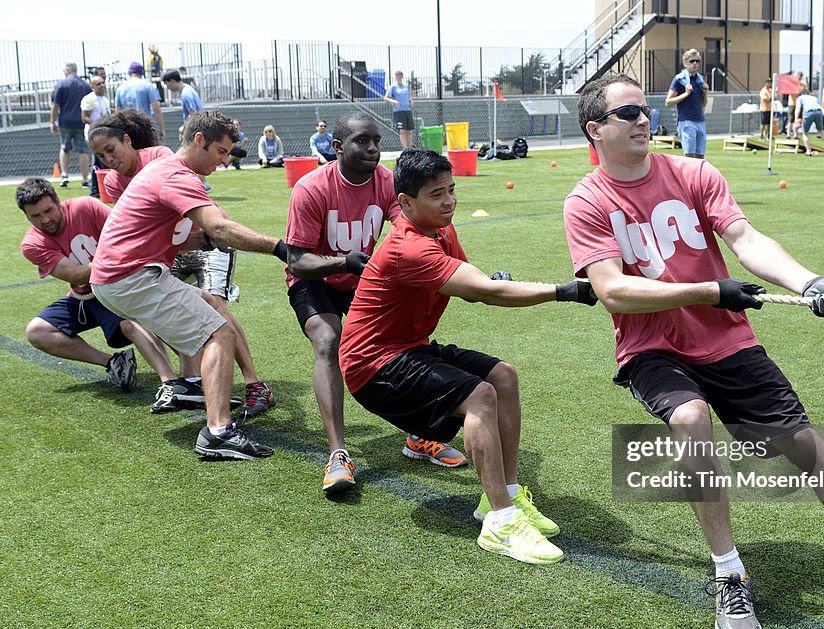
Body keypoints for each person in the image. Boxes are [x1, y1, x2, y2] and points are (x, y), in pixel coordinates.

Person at [564, 73, 824, 629]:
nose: (645, 119)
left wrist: (808, 281)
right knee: (691, 420)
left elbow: (746, 239)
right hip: (652, 348)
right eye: (628, 113)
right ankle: (730, 573)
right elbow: (612, 290)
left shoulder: (694, 173)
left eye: (646, 109)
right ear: (595, 130)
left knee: (805, 446)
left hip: (728, 341)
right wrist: (708, 291)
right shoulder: (586, 201)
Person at [339, 147, 598, 563]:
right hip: (373, 365)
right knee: (480, 396)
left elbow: (473, 281)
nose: (449, 202)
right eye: (436, 194)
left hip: (408, 348)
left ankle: (506, 496)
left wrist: (490, 282)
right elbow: (486, 293)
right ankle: (500, 523)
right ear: (405, 202)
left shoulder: (440, 230)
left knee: (503, 377)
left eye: (452, 190)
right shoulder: (408, 247)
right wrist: (563, 291)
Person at [283, 113, 467, 494]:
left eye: (376, 142)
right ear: (337, 147)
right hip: (316, 279)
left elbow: (414, 224)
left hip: (364, 276)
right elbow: (297, 260)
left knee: (406, 340)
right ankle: (338, 454)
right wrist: (343, 261)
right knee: (328, 340)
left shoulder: (386, 181)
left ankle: (419, 435)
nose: (371, 149)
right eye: (361, 142)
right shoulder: (311, 188)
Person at [89, 110, 289, 459]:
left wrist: (206, 241)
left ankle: (192, 386)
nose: (225, 161)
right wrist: (281, 248)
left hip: (116, 277)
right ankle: (218, 432)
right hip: (131, 276)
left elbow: (171, 233)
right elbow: (220, 227)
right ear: (199, 140)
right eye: (221, 152)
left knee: (212, 309)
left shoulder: (158, 167)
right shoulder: (175, 173)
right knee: (220, 333)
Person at [18, 177, 177, 400]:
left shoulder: (86, 206)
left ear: (58, 201)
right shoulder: (32, 244)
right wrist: (114, 259)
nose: (45, 220)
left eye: (48, 210)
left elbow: (127, 233)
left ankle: (170, 382)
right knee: (36, 331)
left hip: (120, 285)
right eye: (35, 216)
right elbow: (74, 275)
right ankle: (114, 363)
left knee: (133, 322)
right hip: (84, 296)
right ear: (26, 216)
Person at [162, 69, 210, 191]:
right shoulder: (189, 90)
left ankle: (199, 185)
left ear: (172, 81)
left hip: (195, 129)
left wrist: (184, 127)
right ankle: (202, 184)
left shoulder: (186, 93)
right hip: (198, 127)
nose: (168, 88)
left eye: (167, 84)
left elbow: (193, 113)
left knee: (189, 157)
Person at [50, 62, 93, 189]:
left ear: (67, 71)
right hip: (81, 121)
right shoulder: (85, 85)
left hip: (65, 122)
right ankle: (85, 180)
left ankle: (64, 175)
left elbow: (55, 105)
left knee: (65, 148)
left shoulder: (61, 84)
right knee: (83, 151)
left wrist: (52, 122)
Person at [665, 49, 708, 158]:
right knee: (690, 156)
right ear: (685, 63)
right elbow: (668, 102)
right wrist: (685, 94)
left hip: (700, 121)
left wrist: (706, 93)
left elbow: (703, 104)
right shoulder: (679, 79)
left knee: (700, 157)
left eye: (697, 61)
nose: (695, 63)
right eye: (692, 61)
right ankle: (689, 176)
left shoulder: (700, 80)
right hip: (687, 122)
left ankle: (698, 176)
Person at [114, 61, 165, 144]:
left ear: (129, 72)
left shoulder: (120, 88)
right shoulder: (147, 86)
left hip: (128, 128)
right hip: (145, 127)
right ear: (141, 73)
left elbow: (117, 112)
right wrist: (162, 129)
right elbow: (156, 108)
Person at [80, 74, 111, 198]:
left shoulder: (105, 99)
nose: (102, 86)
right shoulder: (89, 99)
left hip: (104, 133)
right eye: (98, 84)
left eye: (103, 83)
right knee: (100, 160)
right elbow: (85, 117)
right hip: (93, 134)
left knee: (100, 160)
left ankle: (98, 189)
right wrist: (99, 125)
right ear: (92, 86)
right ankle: (97, 188)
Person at [794, 87, 824, 156]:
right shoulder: (814, 98)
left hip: (808, 112)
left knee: (805, 133)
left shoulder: (800, 98)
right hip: (818, 112)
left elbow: (797, 109)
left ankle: (808, 151)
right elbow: (822, 110)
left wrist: (796, 120)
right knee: (821, 130)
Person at [384, 71, 414, 150]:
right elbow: (386, 98)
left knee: (409, 131)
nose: (398, 76)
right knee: (403, 131)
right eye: (397, 75)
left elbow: (409, 95)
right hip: (399, 111)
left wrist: (411, 101)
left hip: (407, 110)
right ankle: (405, 148)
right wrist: (395, 102)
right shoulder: (393, 87)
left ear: (402, 76)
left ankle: (410, 148)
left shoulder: (406, 86)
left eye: (400, 75)